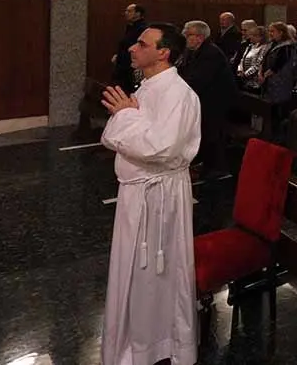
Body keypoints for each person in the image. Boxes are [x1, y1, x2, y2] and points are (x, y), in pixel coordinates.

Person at [99, 23, 201, 365]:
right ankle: (132, 343)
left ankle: (155, 343)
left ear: (163, 52)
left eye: (142, 44)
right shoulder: (149, 87)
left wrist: (125, 116)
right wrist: (127, 117)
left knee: (154, 277)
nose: (132, 48)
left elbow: (158, 146)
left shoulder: (178, 94)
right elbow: (117, 138)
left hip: (158, 198)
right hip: (138, 193)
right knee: (135, 274)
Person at [179, 20, 237, 179]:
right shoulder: (194, 51)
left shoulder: (210, 53)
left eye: (188, 34)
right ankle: (204, 163)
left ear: (199, 37)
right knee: (204, 131)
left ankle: (216, 168)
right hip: (205, 98)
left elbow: (199, 79)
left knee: (212, 133)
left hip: (216, 100)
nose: (185, 37)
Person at [112, 3, 148, 93]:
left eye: (129, 11)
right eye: (126, 11)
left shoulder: (142, 28)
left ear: (138, 14)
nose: (126, 13)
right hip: (123, 65)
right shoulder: (130, 27)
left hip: (130, 67)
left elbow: (137, 47)